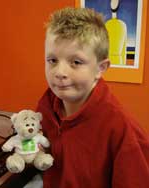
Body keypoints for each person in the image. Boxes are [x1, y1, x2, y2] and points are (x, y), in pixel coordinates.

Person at [36, 7, 149, 188]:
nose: (60, 72)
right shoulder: (47, 106)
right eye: (52, 60)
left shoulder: (122, 130)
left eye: (76, 62)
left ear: (101, 68)